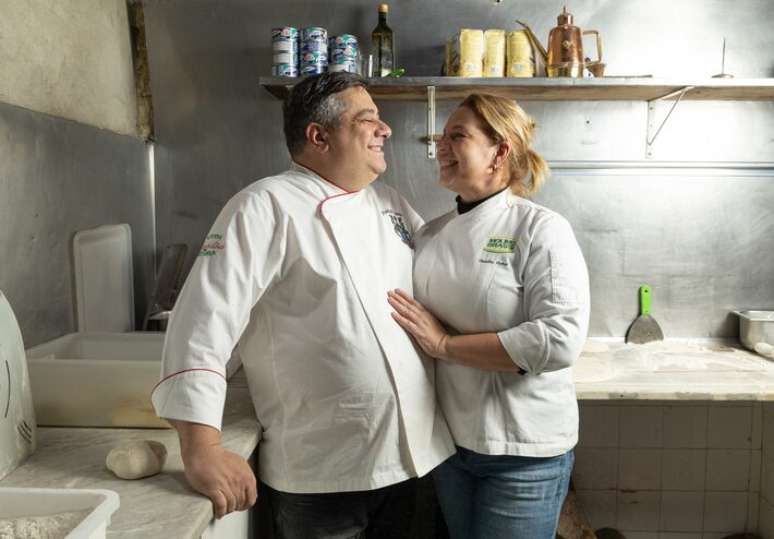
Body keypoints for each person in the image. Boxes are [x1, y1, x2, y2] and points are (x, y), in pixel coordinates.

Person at [152, 72, 454, 539]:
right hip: (323, 472)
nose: (386, 129)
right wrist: (201, 447)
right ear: (319, 136)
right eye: (367, 119)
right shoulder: (264, 205)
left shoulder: (389, 203)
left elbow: (444, 278)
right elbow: (204, 323)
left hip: (414, 460)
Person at [387, 93, 590, 539]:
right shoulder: (431, 235)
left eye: (457, 135)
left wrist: (444, 345)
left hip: (523, 452)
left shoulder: (540, 229)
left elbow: (558, 339)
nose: (441, 145)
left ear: (500, 151)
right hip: (450, 448)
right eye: (442, 135)